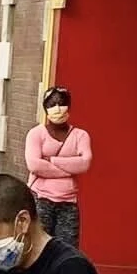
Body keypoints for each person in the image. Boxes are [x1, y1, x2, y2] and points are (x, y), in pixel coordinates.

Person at [25, 85, 92, 247]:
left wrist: (52, 160)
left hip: (68, 201)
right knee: (37, 246)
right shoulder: (36, 134)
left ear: (68, 106)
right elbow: (34, 164)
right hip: (41, 198)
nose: (57, 108)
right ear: (45, 108)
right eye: (52, 104)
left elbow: (85, 163)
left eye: (61, 103)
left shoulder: (80, 135)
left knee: (66, 248)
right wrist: (69, 168)